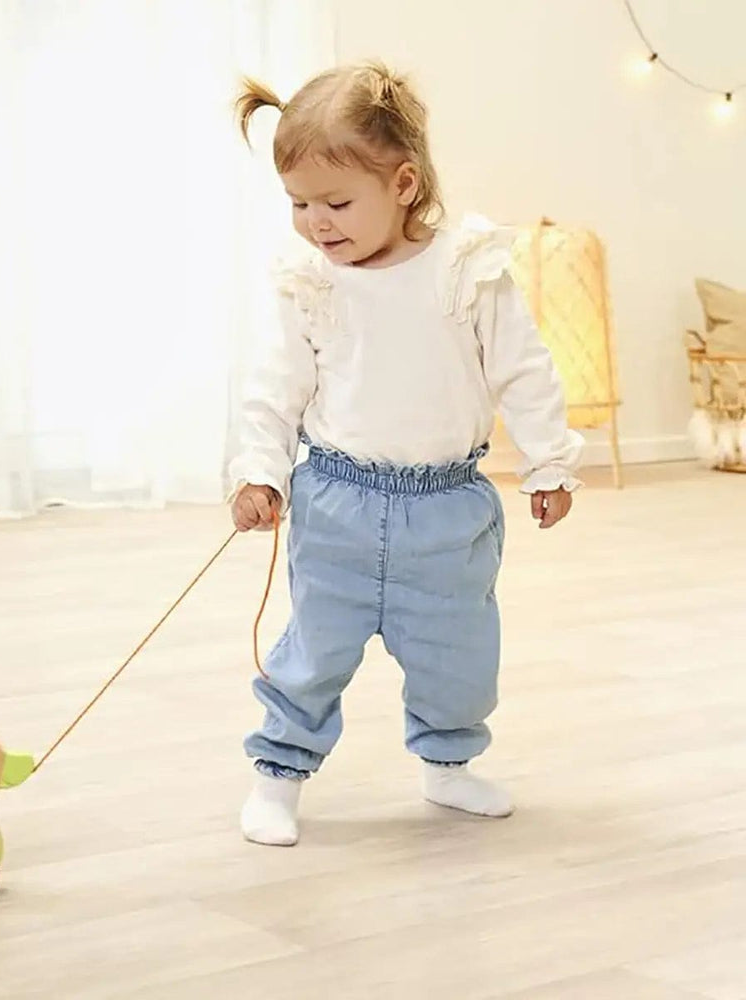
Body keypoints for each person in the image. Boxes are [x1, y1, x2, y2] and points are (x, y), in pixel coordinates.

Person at [227, 62, 583, 847]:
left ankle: (449, 767)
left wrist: (548, 461)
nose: (316, 222)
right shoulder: (309, 281)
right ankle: (278, 775)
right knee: (313, 651)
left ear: (405, 183)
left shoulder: (467, 269)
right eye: (298, 204)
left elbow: (524, 369)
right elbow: (273, 388)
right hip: (337, 504)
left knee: (459, 653)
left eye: (336, 202)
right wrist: (258, 470)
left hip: (449, 511)